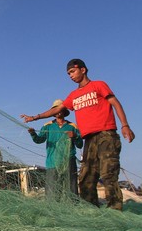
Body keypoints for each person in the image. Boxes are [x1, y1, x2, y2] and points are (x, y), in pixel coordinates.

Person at [21, 58, 135, 210]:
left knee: (108, 173)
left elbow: (115, 102)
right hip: (89, 139)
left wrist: (125, 125)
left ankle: (115, 209)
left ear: (83, 70)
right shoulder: (73, 95)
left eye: (72, 71)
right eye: (68, 73)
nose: (70, 75)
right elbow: (56, 109)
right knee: (86, 177)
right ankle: (91, 209)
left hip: (106, 134)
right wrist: (35, 117)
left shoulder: (98, 85)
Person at [28, 99, 83, 201]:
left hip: (69, 162)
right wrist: (33, 134)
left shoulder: (72, 126)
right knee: (52, 191)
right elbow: (39, 140)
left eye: (60, 109)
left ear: (64, 111)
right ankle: (53, 211)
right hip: (52, 162)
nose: (58, 112)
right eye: (55, 110)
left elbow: (80, 145)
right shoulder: (47, 126)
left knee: (71, 189)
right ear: (52, 112)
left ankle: (72, 210)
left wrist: (75, 136)